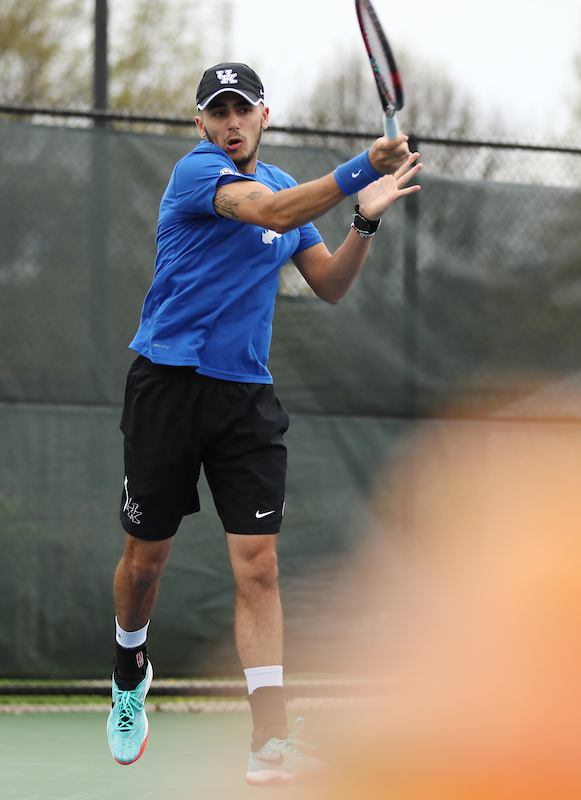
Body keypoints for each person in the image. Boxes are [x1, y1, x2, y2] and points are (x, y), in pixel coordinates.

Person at [106, 61, 421, 785]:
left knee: (260, 565)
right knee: (146, 563)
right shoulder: (199, 175)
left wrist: (364, 218)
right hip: (167, 386)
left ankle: (268, 741)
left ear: (263, 116)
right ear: (201, 124)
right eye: (218, 112)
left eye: (241, 109)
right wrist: (360, 166)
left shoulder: (285, 186)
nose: (231, 123)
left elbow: (330, 284)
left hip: (244, 399)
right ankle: (128, 670)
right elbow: (272, 214)